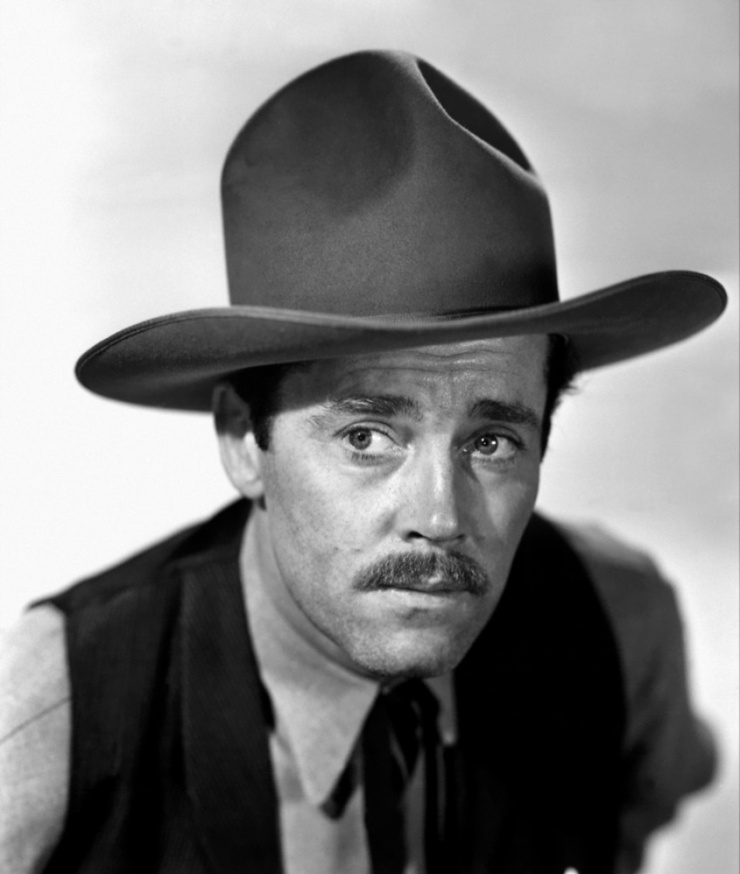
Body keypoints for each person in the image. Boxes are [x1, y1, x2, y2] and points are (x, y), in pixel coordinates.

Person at [0, 50, 725, 874]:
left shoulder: (616, 626)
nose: (441, 517)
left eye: (491, 443)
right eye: (367, 437)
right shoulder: (55, 716)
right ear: (243, 439)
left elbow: (642, 813)